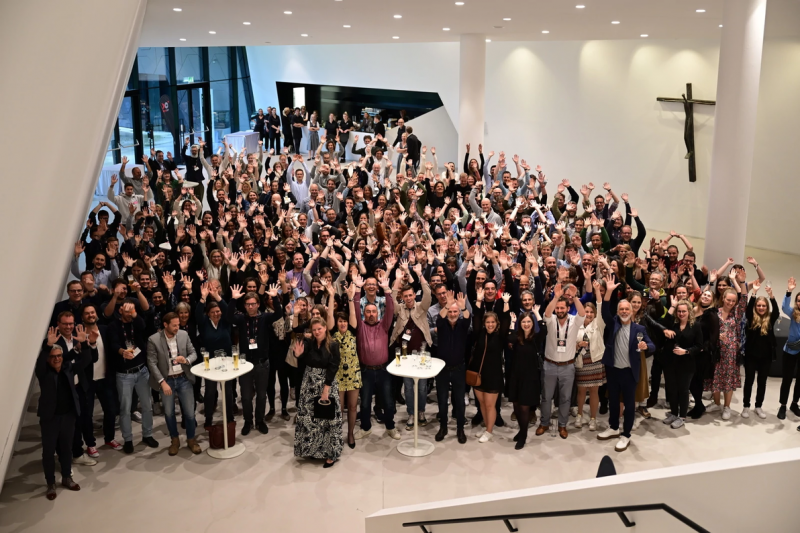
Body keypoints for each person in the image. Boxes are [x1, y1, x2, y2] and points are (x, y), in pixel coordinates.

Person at [596, 277, 655, 452]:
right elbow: (605, 310)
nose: (623, 311)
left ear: (632, 311)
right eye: (621, 309)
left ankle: (626, 435)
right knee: (613, 401)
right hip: (613, 371)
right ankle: (614, 427)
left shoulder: (639, 330)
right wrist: (608, 291)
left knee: (629, 405)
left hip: (630, 373)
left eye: (626, 309)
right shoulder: (613, 323)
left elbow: (652, 345)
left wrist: (646, 346)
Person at [35, 339, 92, 500]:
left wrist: (85, 344)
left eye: (59, 356)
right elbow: (40, 363)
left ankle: (67, 477)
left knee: (66, 449)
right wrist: (47, 347)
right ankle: (51, 483)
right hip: (50, 419)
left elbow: (86, 360)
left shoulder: (68, 368)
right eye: (53, 356)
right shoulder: (43, 372)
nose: (57, 359)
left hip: (68, 416)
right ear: (48, 358)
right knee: (48, 452)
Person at [228, 284, 283, 435]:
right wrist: (233, 300)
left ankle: (260, 421)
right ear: (244, 305)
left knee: (261, 395)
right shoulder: (240, 318)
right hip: (245, 364)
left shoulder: (265, 317)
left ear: (258, 304)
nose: (250, 306)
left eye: (253, 304)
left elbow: (279, 314)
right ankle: (248, 421)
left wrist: (274, 297)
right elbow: (228, 317)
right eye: (248, 304)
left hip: (262, 363)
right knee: (246, 397)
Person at [352, 273, 400, 441]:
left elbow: (391, 309)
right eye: (368, 312)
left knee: (388, 402)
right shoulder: (360, 327)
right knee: (365, 403)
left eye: (374, 311)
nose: (371, 314)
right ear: (364, 313)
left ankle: (390, 427)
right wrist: (357, 290)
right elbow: (356, 308)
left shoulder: (384, 325)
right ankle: (365, 428)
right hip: (365, 370)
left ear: (378, 313)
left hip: (383, 370)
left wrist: (387, 290)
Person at [146, 312, 201, 455]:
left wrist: (187, 360)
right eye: (174, 325)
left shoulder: (183, 335)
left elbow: (194, 353)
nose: (178, 327)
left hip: (183, 378)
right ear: (165, 325)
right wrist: (162, 382)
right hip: (167, 380)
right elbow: (152, 363)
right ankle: (174, 440)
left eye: (178, 324)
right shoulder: (154, 340)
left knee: (189, 413)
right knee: (169, 413)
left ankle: (191, 440)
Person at [108, 302, 158, 454]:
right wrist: (122, 351)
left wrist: (135, 313)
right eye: (126, 309)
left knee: (147, 405)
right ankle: (128, 439)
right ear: (120, 310)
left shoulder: (137, 321)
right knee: (125, 408)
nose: (129, 311)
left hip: (141, 370)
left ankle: (147, 434)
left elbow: (143, 327)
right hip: (124, 374)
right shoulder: (113, 326)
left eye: (132, 309)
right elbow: (113, 343)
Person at [292, 318, 343, 467]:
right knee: (310, 418)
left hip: (326, 382)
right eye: (314, 330)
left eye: (319, 329)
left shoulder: (333, 345)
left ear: (325, 328)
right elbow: (301, 356)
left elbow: (334, 366)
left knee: (328, 419)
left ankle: (330, 453)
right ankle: (313, 449)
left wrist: (326, 389)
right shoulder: (309, 343)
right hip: (309, 382)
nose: (316, 332)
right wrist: (297, 355)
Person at [537, 283, 585, 439]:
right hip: (550, 364)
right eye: (558, 308)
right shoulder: (551, 321)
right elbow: (547, 313)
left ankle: (562, 425)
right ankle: (544, 423)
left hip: (568, 366)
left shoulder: (574, 321)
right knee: (546, 397)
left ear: (567, 308)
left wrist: (575, 297)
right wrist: (556, 297)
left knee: (565, 398)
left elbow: (583, 313)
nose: (559, 311)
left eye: (562, 308)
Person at [390, 262, 433, 430]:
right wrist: (397, 282)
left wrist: (420, 274)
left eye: (410, 295)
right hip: (405, 355)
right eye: (405, 296)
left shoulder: (421, 307)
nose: (408, 298)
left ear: (414, 295)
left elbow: (428, 294)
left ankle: (421, 412)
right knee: (408, 388)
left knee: (422, 388)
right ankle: (411, 414)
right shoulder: (399, 309)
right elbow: (391, 299)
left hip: (421, 353)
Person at [469, 287, 512, 443]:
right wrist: (479, 301)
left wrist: (506, 303)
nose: (490, 324)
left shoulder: (500, 336)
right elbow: (476, 317)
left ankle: (489, 431)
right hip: (479, 373)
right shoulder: (479, 333)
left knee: (489, 405)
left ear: (496, 323)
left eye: (493, 322)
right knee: (481, 403)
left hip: (493, 375)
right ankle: (487, 427)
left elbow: (506, 320)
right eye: (488, 322)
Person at [705, 280, 746, 420]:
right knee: (715, 377)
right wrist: (716, 336)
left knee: (728, 379)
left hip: (730, 353)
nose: (730, 303)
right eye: (728, 300)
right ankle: (716, 403)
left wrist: (738, 282)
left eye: (733, 301)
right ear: (723, 298)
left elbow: (744, 300)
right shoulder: (715, 312)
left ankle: (727, 406)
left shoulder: (736, 314)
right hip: (716, 351)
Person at [195, 282, 234, 429]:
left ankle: (229, 417)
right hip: (210, 363)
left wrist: (217, 297)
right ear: (208, 313)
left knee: (228, 391)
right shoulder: (204, 322)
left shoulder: (226, 321)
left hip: (228, 361)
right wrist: (203, 298)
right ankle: (208, 418)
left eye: (218, 311)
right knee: (210, 392)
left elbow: (228, 310)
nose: (216, 313)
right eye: (213, 312)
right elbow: (198, 314)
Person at [435, 291, 471, 444]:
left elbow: (468, 317)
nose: (453, 313)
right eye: (451, 311)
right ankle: (443, 427)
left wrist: (462, 308)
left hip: (459, 368)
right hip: (442, 369)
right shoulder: (442, 325)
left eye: (455, 311)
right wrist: (447, 305)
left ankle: (460, 429)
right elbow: (440, 317)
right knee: (442, 400)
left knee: (460, 401)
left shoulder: (462, 325)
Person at [327, 282, 360, 448]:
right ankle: (337, 434)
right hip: (338, 375)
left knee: (353, 407)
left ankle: (351, 433)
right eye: (340, 321)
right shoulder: (332, 333)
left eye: (344, 321)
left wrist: (351, 298)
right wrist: (332, 294)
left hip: (354, 373)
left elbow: (353, 314)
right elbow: (330, 318)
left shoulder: (352, 331)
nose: (342, 324)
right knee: (339, 408)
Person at [508, 309, 547, 449]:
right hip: (516, 376)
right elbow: (510, 338)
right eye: (523, 322)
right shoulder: (517, 338)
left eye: (528, 322)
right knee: (516, 407)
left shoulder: (535, 337)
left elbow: (544, 329)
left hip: (530, 378)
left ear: (532, 323)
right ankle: (521, 430)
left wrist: (536, 314)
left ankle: (523, 435)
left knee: (525, 408)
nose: (526, 324)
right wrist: (512, 324)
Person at [661, 300, 703, 428]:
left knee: (683, 390)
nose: (681, 313)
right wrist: (672, 306)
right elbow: (662, 323)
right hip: (670, 362)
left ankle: (682, 417)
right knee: (672, 389)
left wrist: (686, 352)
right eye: (679, 311)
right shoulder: (672, 324)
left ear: (689, 311)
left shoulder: (695, 326)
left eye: (684, 311)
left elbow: (699, 346)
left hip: (687, 363)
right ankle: (673, 413)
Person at [740, 282, 779, 419]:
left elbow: (777, 311)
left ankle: (758, 406)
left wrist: (771, 296)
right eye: (759, 305)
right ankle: (746, 406)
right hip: (751, 356)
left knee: (762, 382)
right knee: (749, 381)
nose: (761, 308)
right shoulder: (751, 318)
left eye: (763, 306)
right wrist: (754, 293)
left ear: (766, 307)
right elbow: (748, 308)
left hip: (766, 357)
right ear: (755, 307)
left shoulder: (770, 319)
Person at [574, 282, 606, 432]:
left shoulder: (598, 324)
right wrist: (578, 344)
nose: (589, 314)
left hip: (595, 361)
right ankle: (579, 415)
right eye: (586, 311)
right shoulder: (576, 325)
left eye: (591, 312)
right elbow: (570, 345)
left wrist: (598, 291)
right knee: (581, 391)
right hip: (581, 362)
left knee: (594, 391)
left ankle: (593, 419)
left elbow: (600, 305)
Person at [779, 277, 800, 421]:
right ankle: (783, 405)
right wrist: (789, 292)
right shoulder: (793, 312)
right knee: (786, 379)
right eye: (799, 300)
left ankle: (794, 404)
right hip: (791, 351)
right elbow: (784, 308)